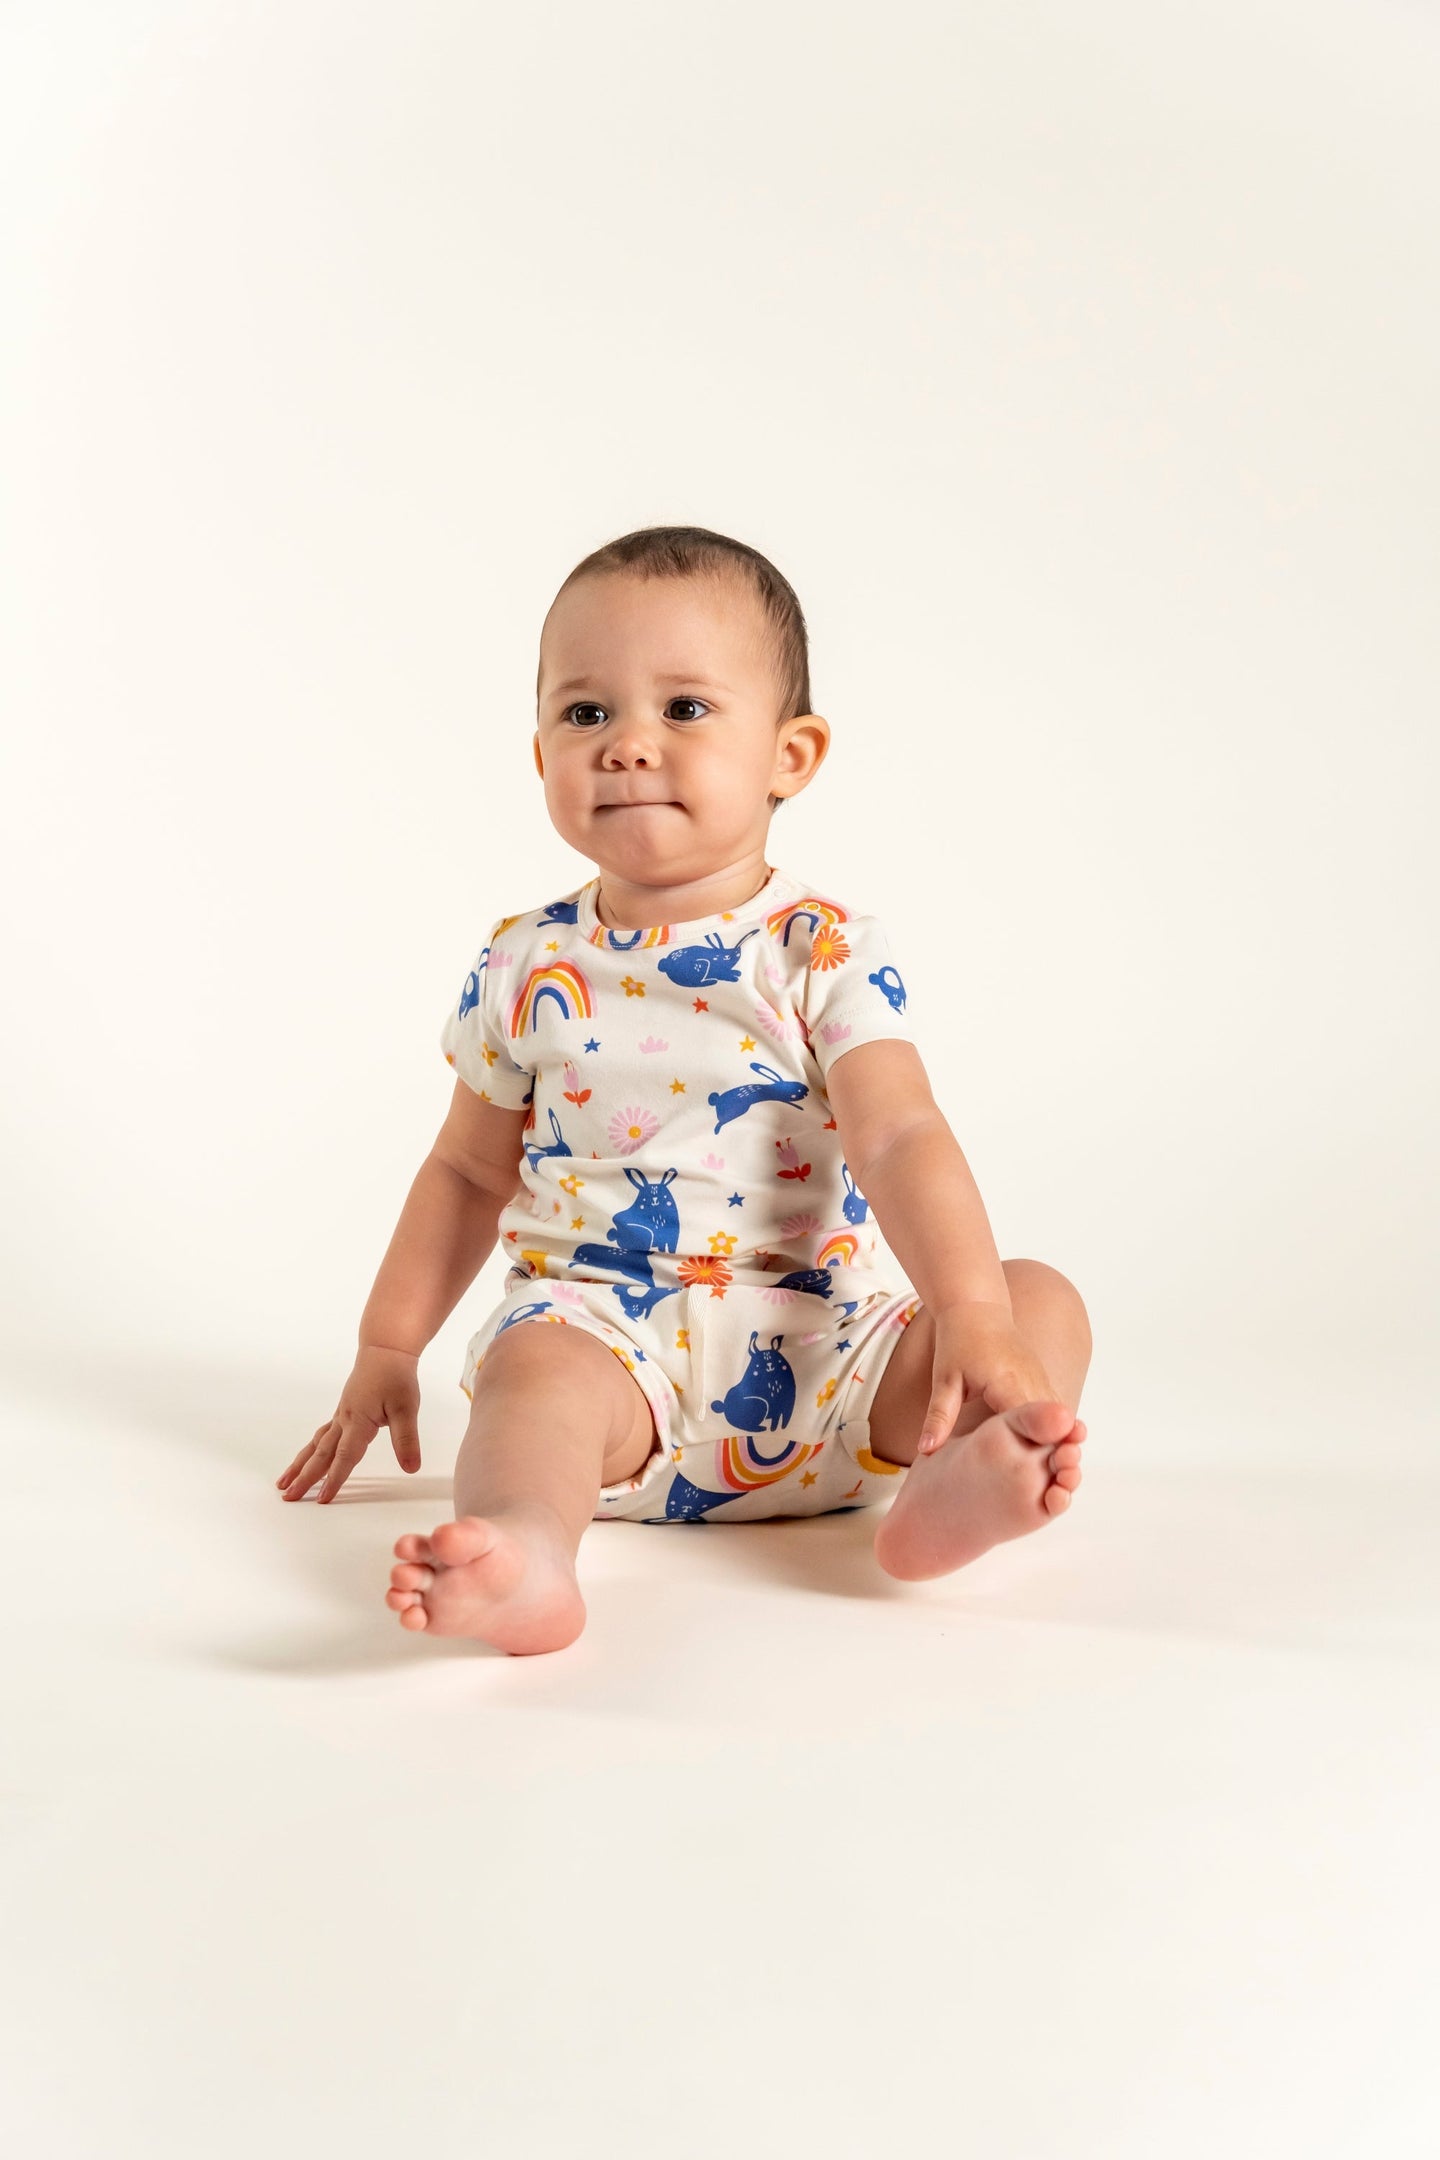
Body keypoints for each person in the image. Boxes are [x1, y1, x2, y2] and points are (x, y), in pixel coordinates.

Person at [276, 526, 1092, 1653]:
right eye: (586, 713)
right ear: (539, 753)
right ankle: (526, 1546)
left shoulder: (821, 949)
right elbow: (466, 1168)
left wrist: (977, 1317)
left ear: (790, 756)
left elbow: (901, 1133)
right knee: (532, 1378)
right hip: (611, 1357)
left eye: (686, 710)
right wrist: (385, 1346)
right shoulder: (525, 961)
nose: (626, 746)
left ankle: (948, 1483)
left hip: (833, 1363)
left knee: (1041, 1297)